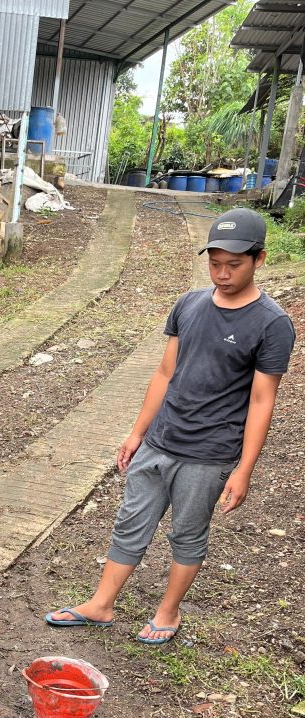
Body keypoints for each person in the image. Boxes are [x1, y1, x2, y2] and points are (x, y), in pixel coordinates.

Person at [47, 208, 295, 644]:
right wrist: (137, 432)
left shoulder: (272, 324)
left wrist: (244, 469)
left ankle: (168, 611)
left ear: (259, 260)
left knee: (187, 533)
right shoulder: (189, 304)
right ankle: (101, 605)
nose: (222, 273)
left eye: (233, 265)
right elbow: (164, 373)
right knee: (130, 521)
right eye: (215, 263)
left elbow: (261, 400)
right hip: (160, 440)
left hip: (210, 452)